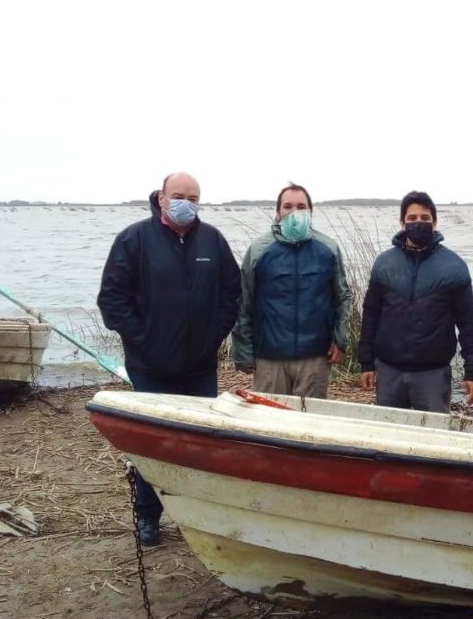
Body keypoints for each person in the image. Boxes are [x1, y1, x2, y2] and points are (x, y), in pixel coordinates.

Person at [97, 172, 241, 544]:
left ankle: (199, 515)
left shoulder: (212, 240)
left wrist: (214, 336)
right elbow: (112, 300)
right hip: (150, 368)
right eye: (179, 195)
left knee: (200, 445)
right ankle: (148, 517)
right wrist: (143, 340)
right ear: (161, 198)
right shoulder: (134, 239)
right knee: (154, 447)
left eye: (194, 197)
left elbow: (231, 294)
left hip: (199, 368)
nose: (186, 203)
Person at [358, 191, 473, 411]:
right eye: (412, 218)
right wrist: (366, 362)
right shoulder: (384, 264)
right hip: (389, 371)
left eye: (425, 218)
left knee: (433, 438)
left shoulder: (454, 267)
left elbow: (468, 323)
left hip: (433, 374)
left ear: (434, 222)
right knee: (390, 437)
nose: (419, 223)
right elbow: (370, 316)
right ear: (402, 222)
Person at [231, 183, 352, 398]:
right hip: (269, 359)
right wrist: (243, 354)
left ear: (310, 211)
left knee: (308, 425)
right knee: (270, 423)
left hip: (315, 357)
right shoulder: (259, 250)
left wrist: (340, 340)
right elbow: (244, 302)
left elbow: (342, 297)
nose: (294, 212)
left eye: (301, 206)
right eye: (287, 206)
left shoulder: (329, 248)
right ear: (278, 212)